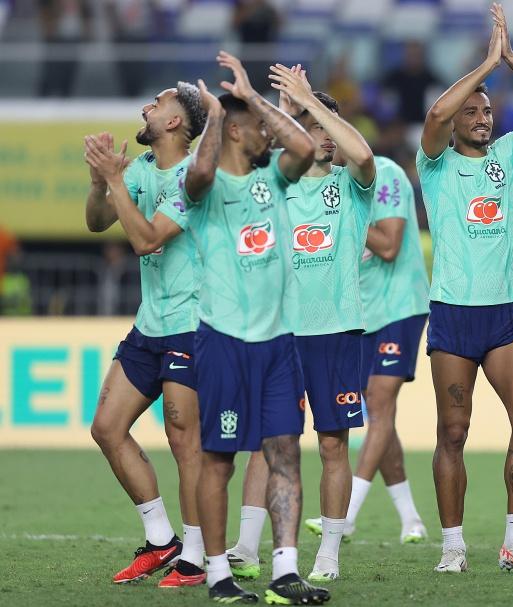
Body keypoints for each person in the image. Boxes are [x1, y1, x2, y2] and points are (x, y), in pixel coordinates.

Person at [163, 52, 326, 605]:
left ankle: (284, 571)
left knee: (284, 452)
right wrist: (214, 115)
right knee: (219, 459)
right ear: (233, 132)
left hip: (278, 344)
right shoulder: (202, 187)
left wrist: (255, 97)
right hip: (225, 341)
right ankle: (216, 575)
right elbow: (204, 172)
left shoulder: (273, 180)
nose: (268, 135)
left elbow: (303, 146)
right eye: (258, 127)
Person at [417, 3, 513, 574]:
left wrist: (511, 60)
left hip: (505, 316)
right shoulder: (434, 164)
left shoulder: (509, 152)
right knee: (452, 433)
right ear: (456, 122)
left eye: (487, 109)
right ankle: (453, 545)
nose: (482, 116)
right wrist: (482, 66)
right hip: (453, 315)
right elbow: (434, 111)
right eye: (472, 110)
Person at [225, 64, 376, 585]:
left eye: (328, 128)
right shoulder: (275, 186)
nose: (324, 139)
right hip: (279, 330)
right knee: (271, 440)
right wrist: (283, 112)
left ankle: (328, 552)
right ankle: (245, 546)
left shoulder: (351, 188)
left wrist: (313, 103)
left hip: (336, 329)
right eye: (314, 128)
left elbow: (363, 155)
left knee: (333, 443)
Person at [83, 82, 208, 588]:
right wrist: (101, 182)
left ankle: (197, 558)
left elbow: (147, 239)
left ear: (176, 123)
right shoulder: (137, 171)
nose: (147, 108)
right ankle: (162, 541)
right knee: (106, 428)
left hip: (193, 325)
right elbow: (96, 223)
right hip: (149, 325)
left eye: (158, 105)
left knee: (184, 442)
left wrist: (115, 178)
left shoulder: (192, 177)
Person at [303, 153, 430, 546]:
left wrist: (348, 217)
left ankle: (347, 517)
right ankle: (411, 518)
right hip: (360, 312)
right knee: (379, 415)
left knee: (378, 402)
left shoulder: (386, 173)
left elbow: (389, 244)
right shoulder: (320, 186)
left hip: (400, 305)